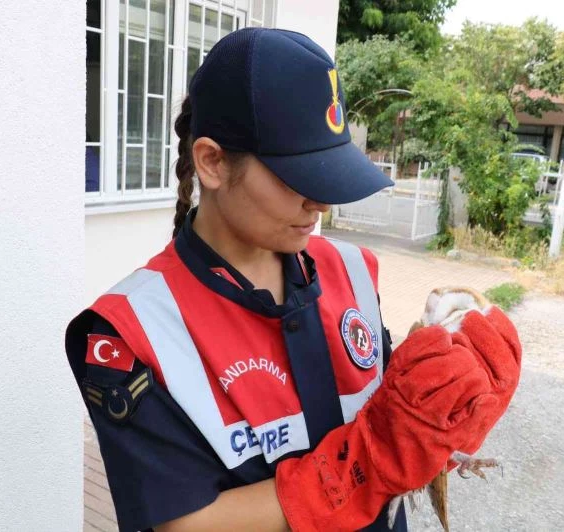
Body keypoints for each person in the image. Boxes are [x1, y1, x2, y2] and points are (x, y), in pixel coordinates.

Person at [65, 28, 521, 532]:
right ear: (212, 162)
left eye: (327, 174)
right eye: (297, 178)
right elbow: (187, 524)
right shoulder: (131, 332)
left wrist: (443, 426)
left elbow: (391, 417)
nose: (321, 203)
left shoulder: (350, 269)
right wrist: (371, 460)